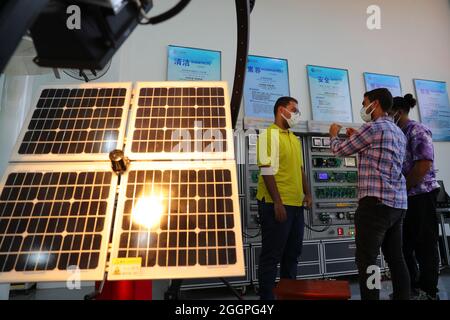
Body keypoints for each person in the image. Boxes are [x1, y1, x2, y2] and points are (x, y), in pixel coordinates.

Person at [328, 88, 410, 300]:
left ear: (375, 103)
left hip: (374, 206)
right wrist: (357, 138)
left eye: (365, 103)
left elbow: (339, 150)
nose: (363, 108)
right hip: (397, 204)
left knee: (368, 260)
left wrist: (333, 135)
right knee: (396, 258)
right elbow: (380, 155)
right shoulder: (398, 132)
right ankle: (403, 296)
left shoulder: (372, 127)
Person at [256, 96, 312, 300]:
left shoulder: (294, 138)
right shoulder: (266, 136)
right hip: (276, 204)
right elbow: (266, 170)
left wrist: (307, 192)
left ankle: (289, 296)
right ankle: (267, 300)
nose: (297, 114)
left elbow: (300, 168)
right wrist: (278, 202)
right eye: (293, 109)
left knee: (292, 255)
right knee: (272, 256)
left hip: (296, 205)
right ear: (281, 110)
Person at [389, 94, 441, 300]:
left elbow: (423, 165)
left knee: (424, 245)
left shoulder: (417, 130)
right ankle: (409, 288)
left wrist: (402, 187)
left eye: (388, 113)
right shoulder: (396, 132)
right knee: (403, 246)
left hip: (421, 195)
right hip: (404, 197)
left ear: (398, 112)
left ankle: (429, 290)